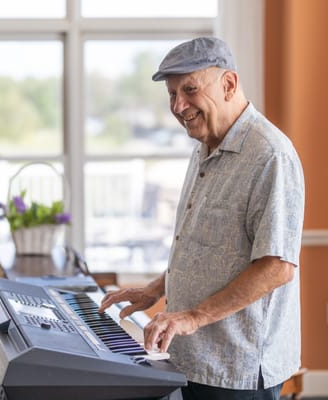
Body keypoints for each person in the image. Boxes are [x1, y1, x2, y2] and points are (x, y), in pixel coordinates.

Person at [99, 37, 305, 400]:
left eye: (190, 89)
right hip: (193, 357)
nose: (179, 106)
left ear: (228, 85)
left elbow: (276, 266)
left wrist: (191, 317)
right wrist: (154, 290)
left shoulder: (271, 155)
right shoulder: (204, 146)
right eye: (172, 93)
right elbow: (204, 249)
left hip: (237, 367)